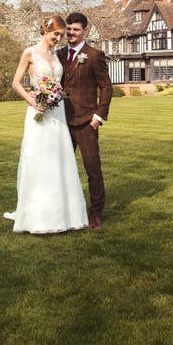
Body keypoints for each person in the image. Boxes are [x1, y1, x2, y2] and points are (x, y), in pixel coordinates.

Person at [6, 15, 88, 234]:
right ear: (45, 31)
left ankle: (64, 214)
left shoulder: (56, 55)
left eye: (61, 36)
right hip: (39, 112)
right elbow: (15, 82)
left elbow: (58, 82)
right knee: (39, 160)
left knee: (60, 160)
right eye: (56, 35)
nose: (59, 39)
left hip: (57, 113)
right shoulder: (29, 53)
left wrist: (56, 95)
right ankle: (39, 217)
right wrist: (32, 100)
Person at [58, 12, 113, 231]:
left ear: (85, 31)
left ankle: (96, 214)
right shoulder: (59, 54)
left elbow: (106, 87)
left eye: (76, 29)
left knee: (92, 169)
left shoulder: (94, 55)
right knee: (61, 168)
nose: (71, 33)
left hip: (87, 121)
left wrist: (98, 116)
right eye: (69, 29)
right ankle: (64, 210)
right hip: (62, 120)